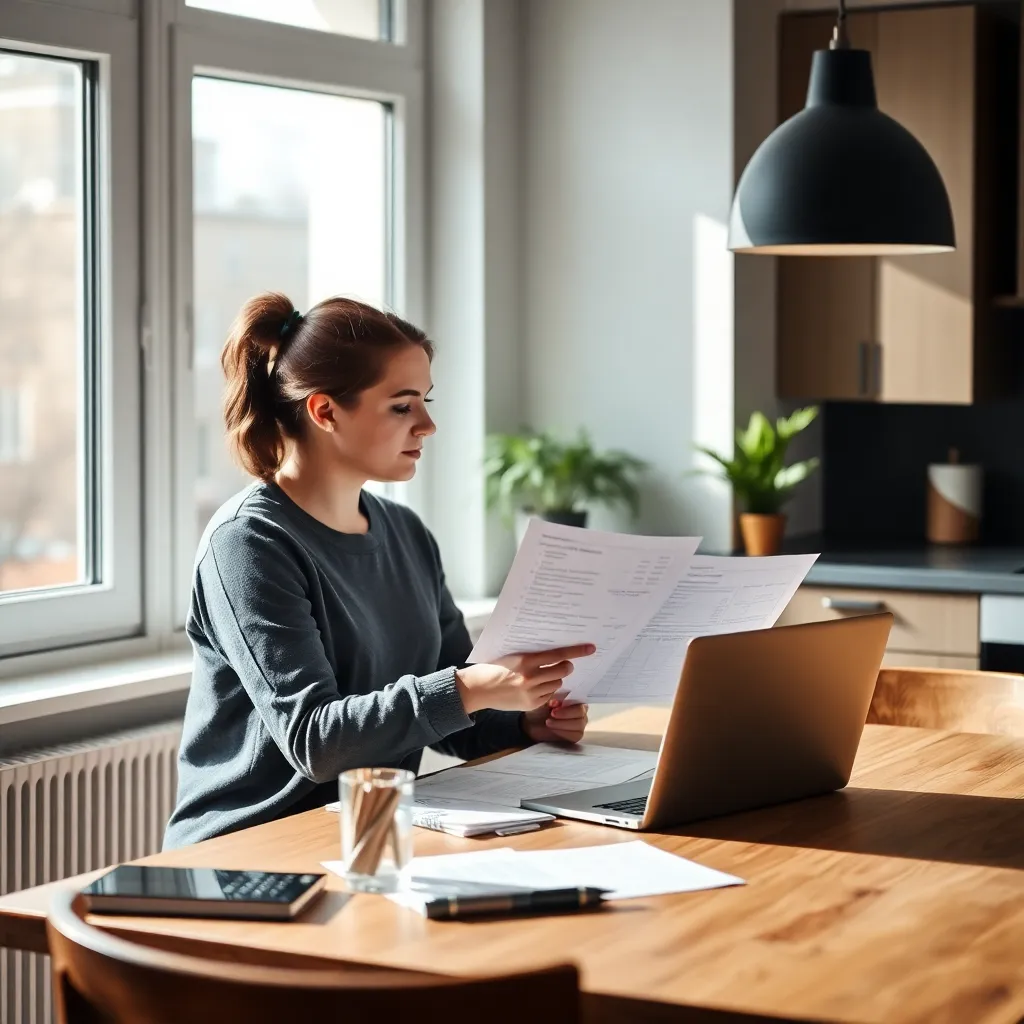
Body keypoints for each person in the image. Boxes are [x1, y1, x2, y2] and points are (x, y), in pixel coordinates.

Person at [164, 293, 593, 849]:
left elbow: (451, 712)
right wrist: (471, 687)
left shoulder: (406, 534)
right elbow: (316, 742)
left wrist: (522, 721)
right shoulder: (248, 543)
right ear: (324, 412)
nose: (428, 425)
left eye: (425, 402)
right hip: (251, 849)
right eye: (402, 406)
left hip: (370, 835)